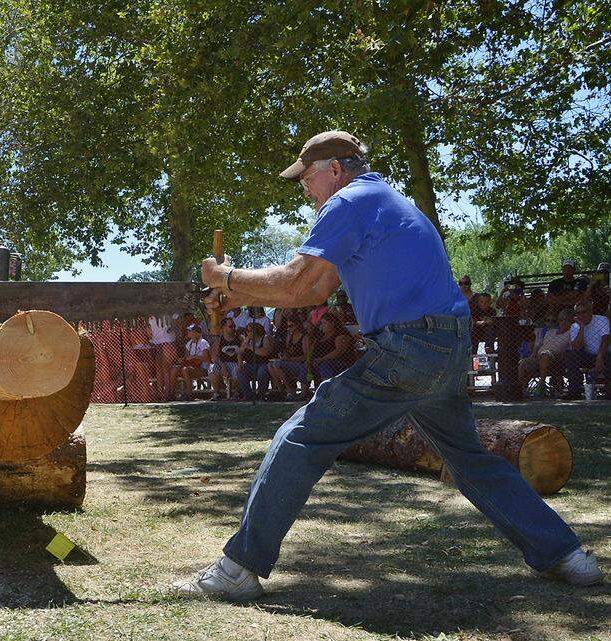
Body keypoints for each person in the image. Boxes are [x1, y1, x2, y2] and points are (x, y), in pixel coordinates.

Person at [173, 130, 602, 601]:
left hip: (407, 349)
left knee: (300, 436)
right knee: (470, 461)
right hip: (447, 346)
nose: (306, 192)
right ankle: (566, 555)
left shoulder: (347, 203)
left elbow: (299, 285)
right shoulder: (388, 202)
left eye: (307, 181)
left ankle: (239, 568)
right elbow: (314, 286)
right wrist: (236, 293)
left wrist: (225, 276)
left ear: (334, 170)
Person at [518, 308, 575, 396]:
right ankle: (521, 388)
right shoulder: (550, 332)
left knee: (546, 354)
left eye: (567, 320)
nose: (563, 322)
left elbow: (571, 348)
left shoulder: (571, 333)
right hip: (539, 357)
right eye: (560, 320)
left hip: (557, 360)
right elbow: (539, 345)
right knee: (523, 362)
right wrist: (533, 354)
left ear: (572, 321)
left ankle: (541, 384)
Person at [561, 301, 610, 399]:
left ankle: (608, 390)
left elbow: (606, 339)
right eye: (578, 313)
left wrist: (600, 357)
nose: (581, 315)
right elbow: (575, 347)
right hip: (589, 356)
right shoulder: (575, 326)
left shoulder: (601, 320)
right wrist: (582, 328)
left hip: (605, 354)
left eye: (584, 312)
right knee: (569, 354)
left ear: (591, 312)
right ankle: (574, 392)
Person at [168, 324, 213, 400]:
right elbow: (186, 358)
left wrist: (194, 356)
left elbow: (206, 359)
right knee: (174, 369)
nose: (188, 332)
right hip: (192, 367)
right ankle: (171, 394)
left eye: (190, 331)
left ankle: (189, 395)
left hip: (202, 369)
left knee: (185, 370)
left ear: (196, 333)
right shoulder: (189, 344)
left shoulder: (203, 342)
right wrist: (183, 359)